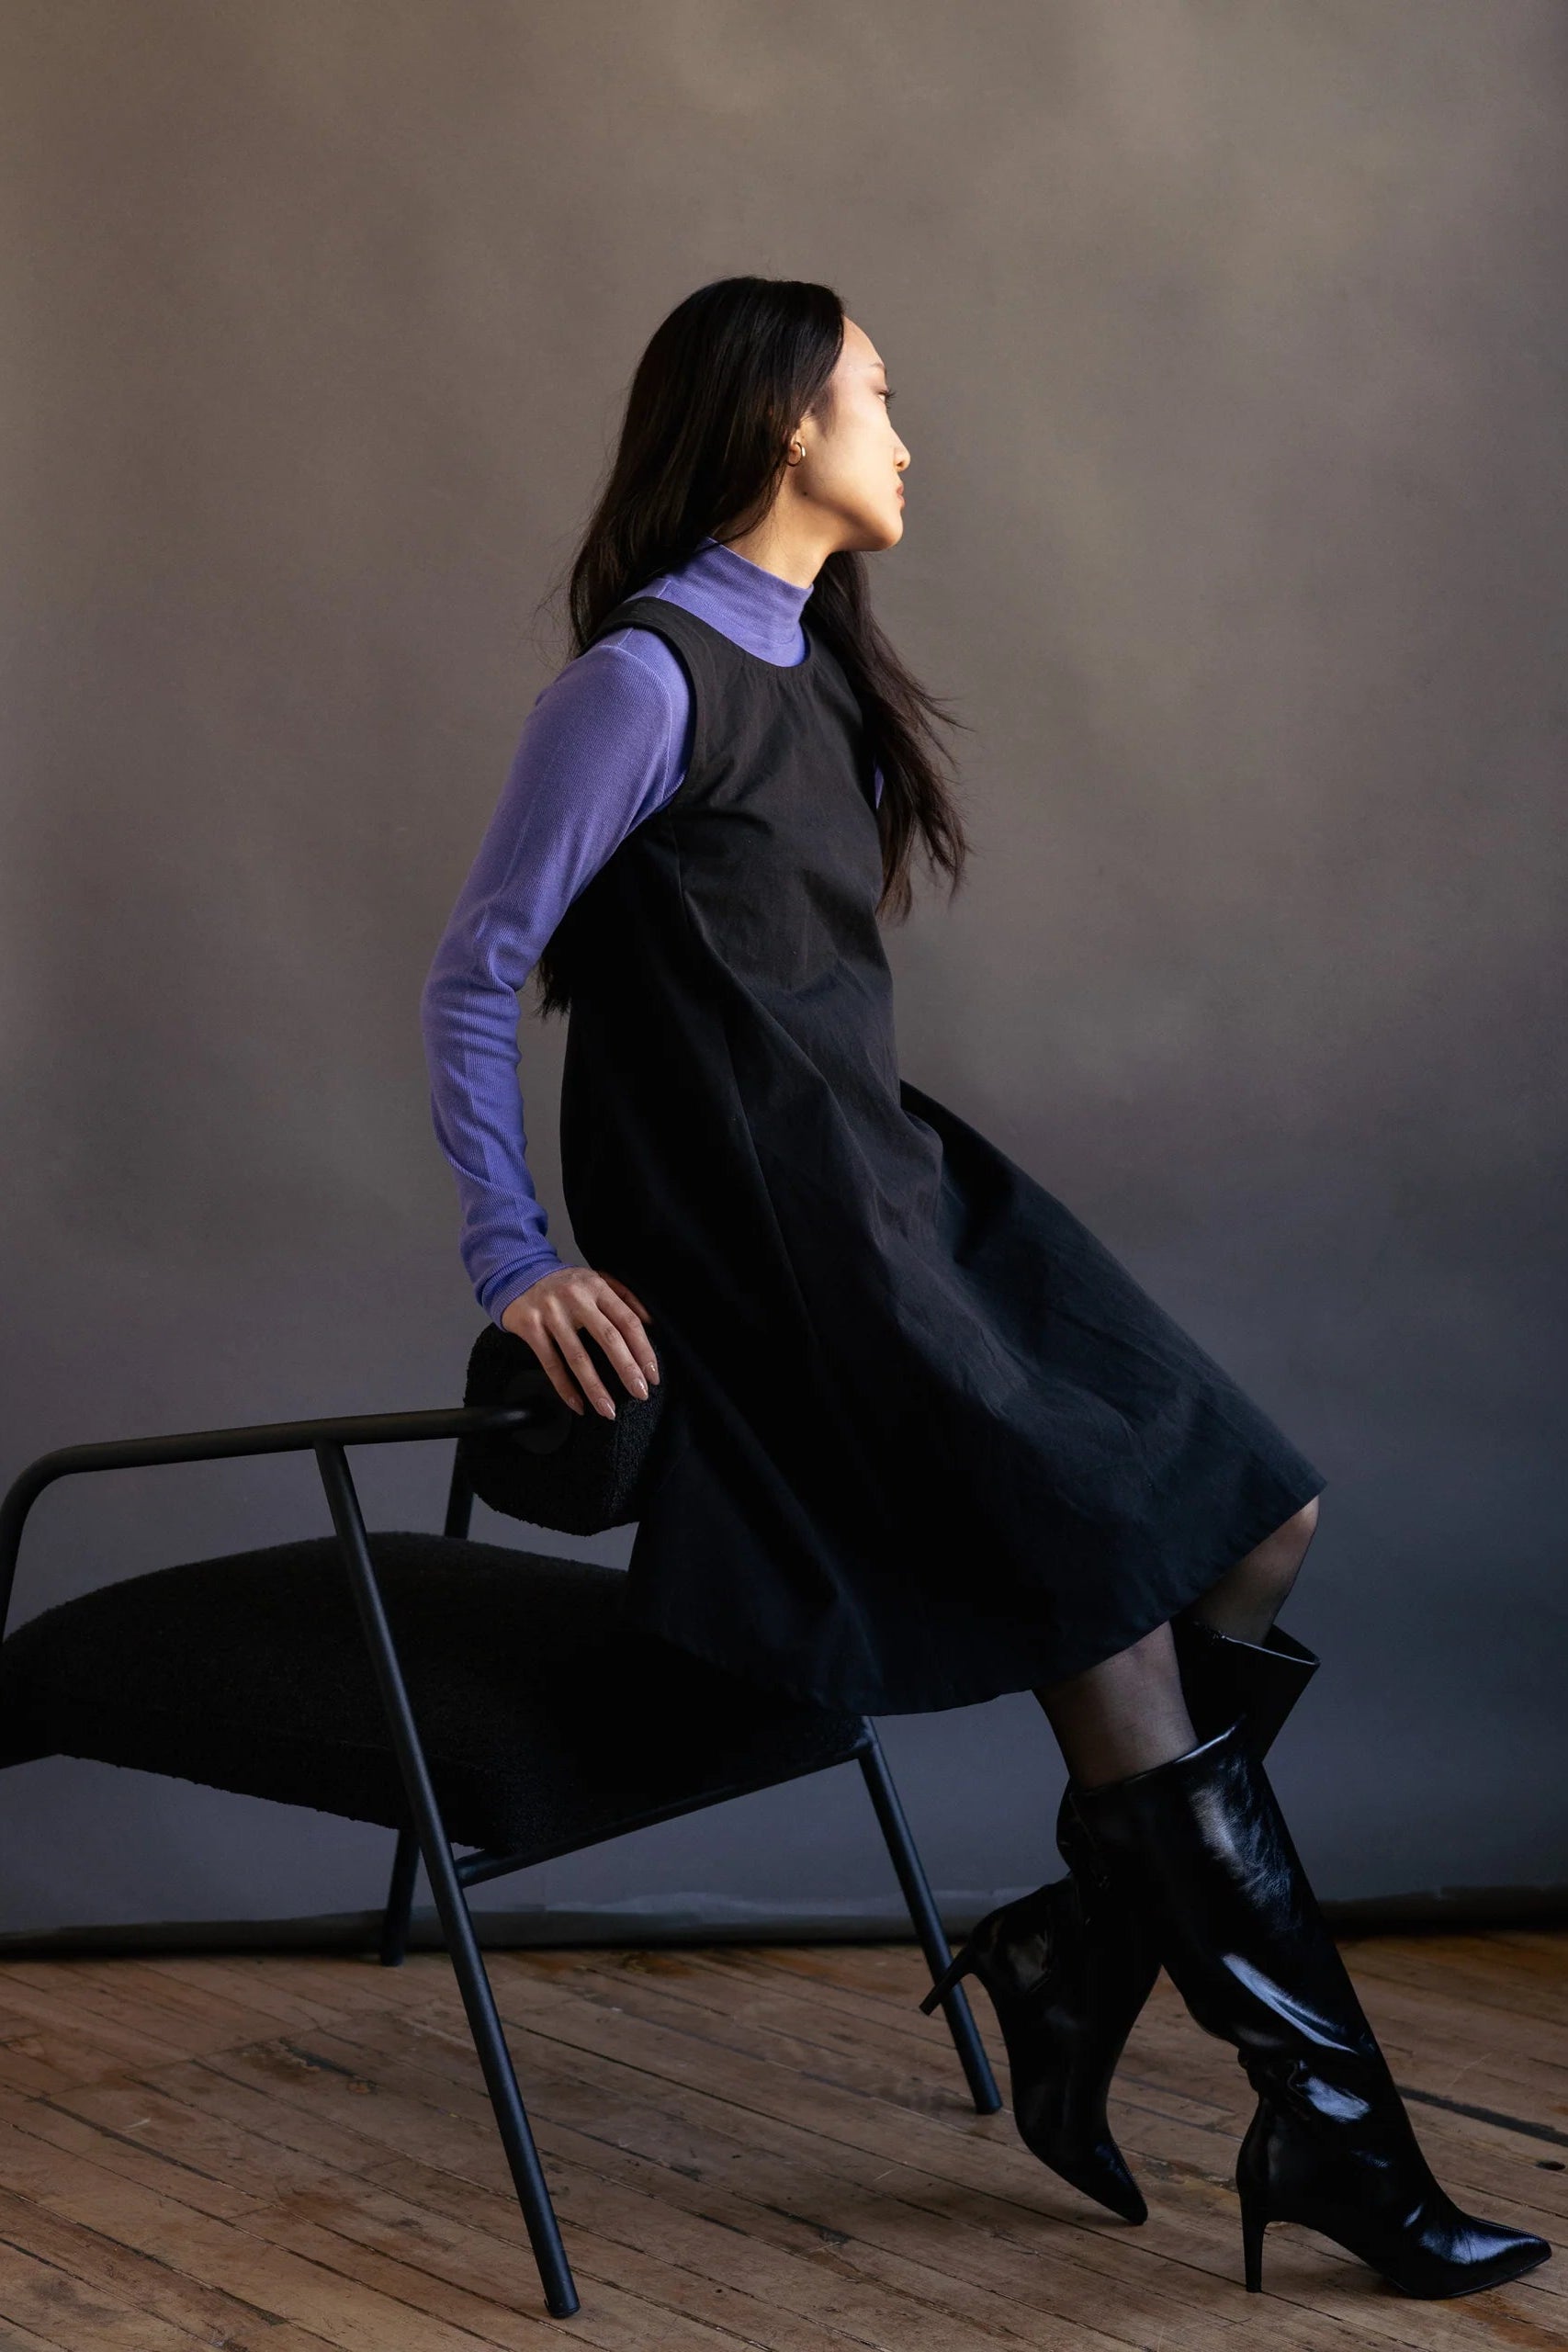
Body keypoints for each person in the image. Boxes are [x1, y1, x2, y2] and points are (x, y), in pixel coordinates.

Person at [421, 277, 1549, 2302]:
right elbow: (478, 962)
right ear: (784, 426)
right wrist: (518, 1249)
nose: (904, 432)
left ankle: (1066, 1946)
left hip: (900, 1187)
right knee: (1108, 1625)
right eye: (876, 395)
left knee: (1254, 1515)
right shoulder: (641, 678)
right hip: (786, 1263)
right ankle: (1338, 2149)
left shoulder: (821, 671)